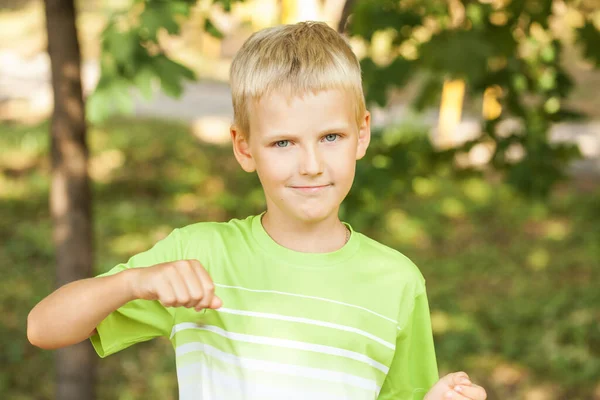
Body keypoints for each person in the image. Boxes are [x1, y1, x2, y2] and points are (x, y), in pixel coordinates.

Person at [28, 21, 487, 400]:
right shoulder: (199, 254)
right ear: (244, 148)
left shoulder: (398, 282)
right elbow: (43, 327)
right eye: (283, 143)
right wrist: (133, 282)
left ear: (361, 134)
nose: (311, 165)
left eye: (331, 137)